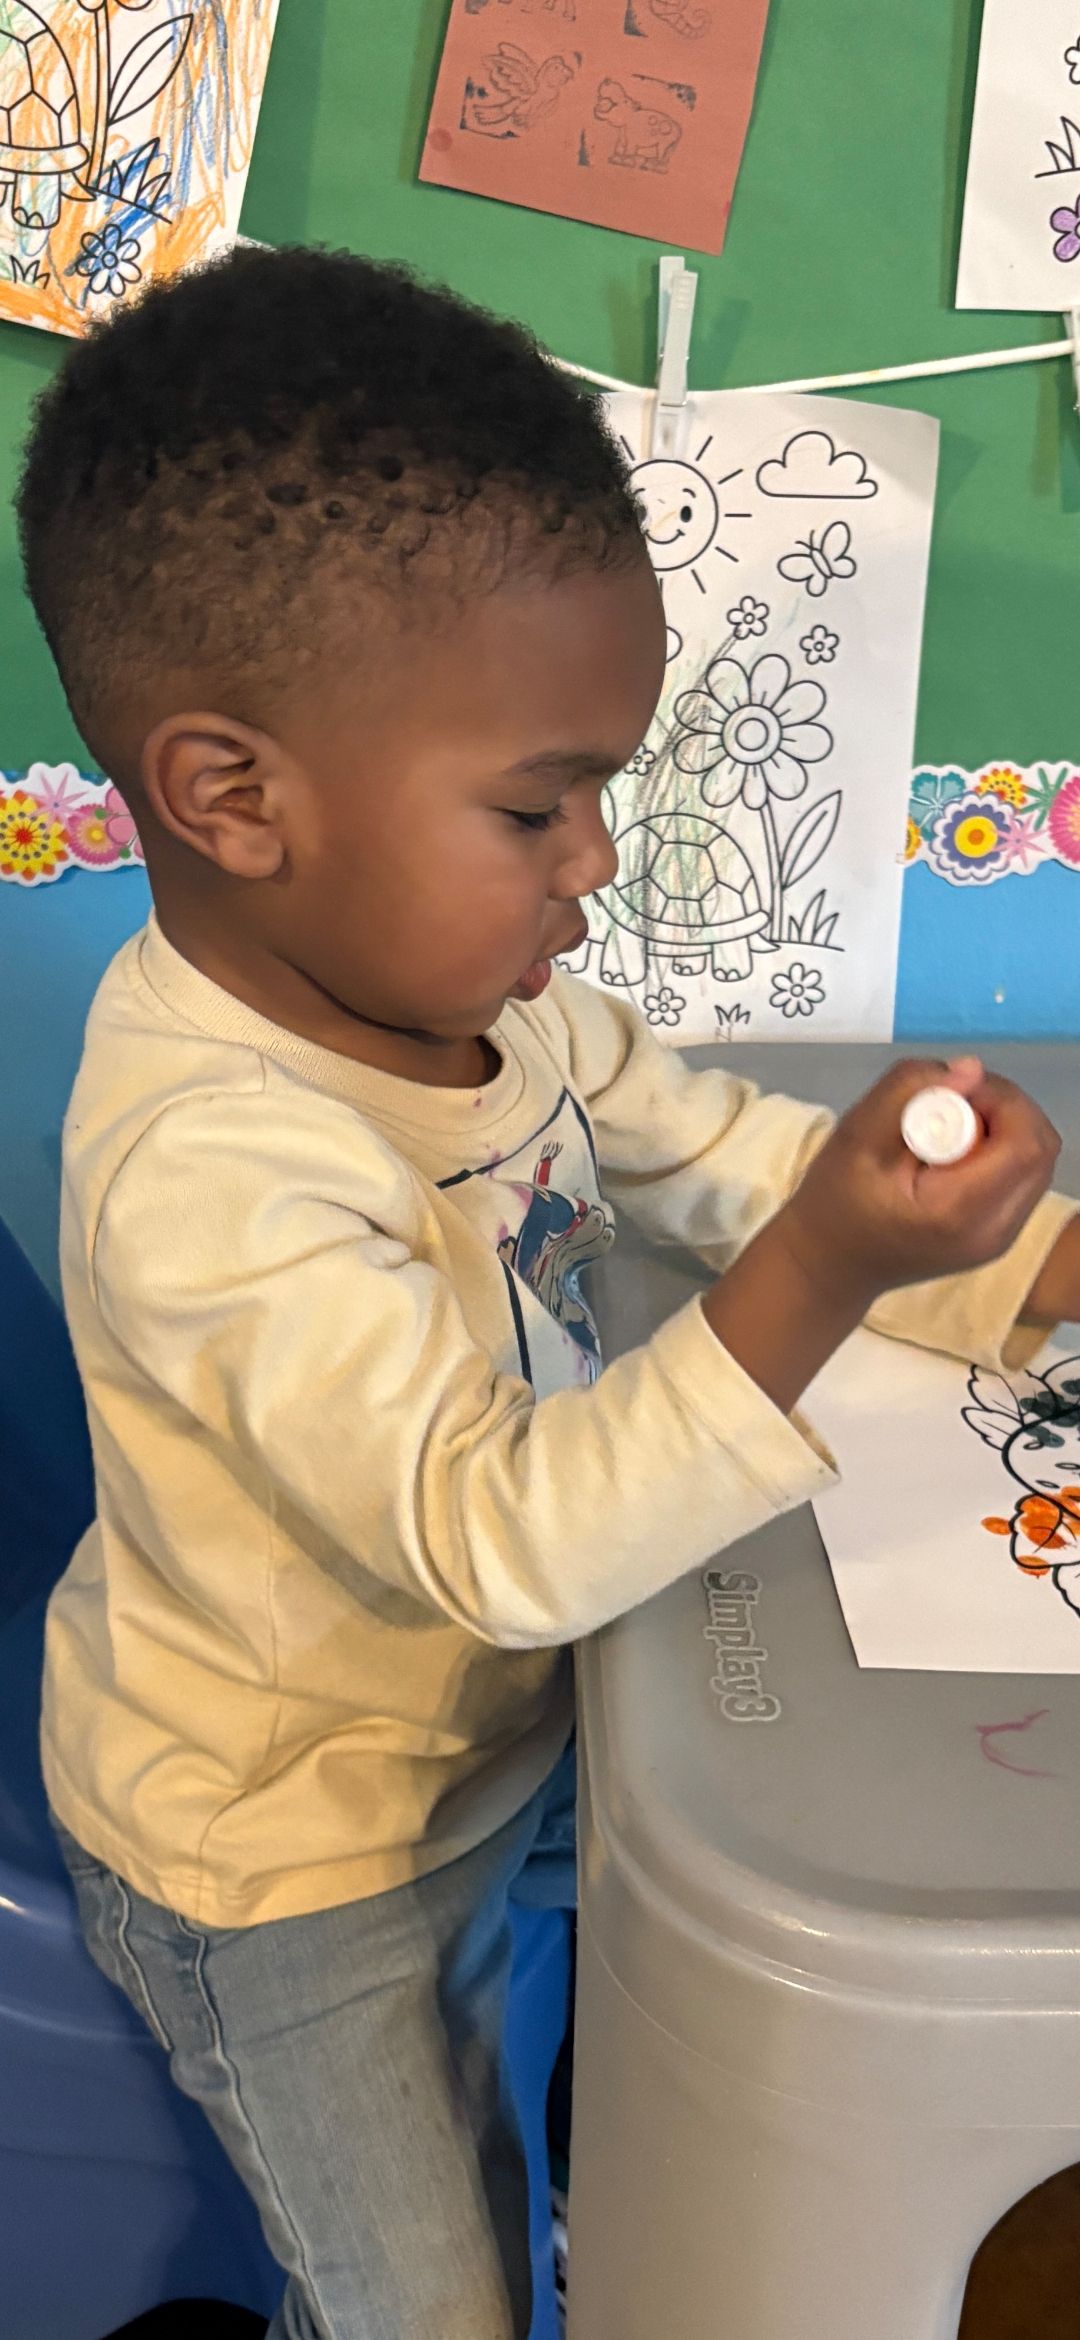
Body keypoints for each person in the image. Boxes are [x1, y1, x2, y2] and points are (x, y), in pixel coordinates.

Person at [19, 245, 1079, 2340]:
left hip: (479, 1751)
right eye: (537, 802)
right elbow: (499, 1540)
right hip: (282, 1865)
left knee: (616, 2076)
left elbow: (716, 1148)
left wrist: (1018, 1270)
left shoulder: (489, 1010)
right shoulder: (209, 1174)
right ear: (233, 797)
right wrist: (833, 1263)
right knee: (428, 2301)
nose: (591, 861)